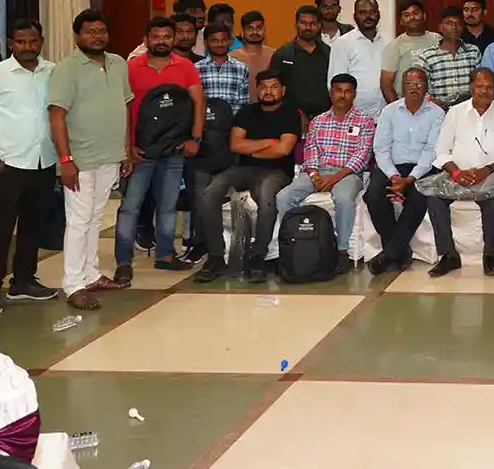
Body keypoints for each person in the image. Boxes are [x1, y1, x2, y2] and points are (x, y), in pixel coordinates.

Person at [0, 18, 59, 317]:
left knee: (32, 227)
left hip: (43, 161)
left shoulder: (53, 72)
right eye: (21, 42)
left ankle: (23, 281)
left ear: (41, 41)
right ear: (11, 43)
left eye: (33, 41)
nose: (27, 47)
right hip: (8, 164)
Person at [48, 10, 132, 311]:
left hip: (110, 155)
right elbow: (56, 115)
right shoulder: (66, 69)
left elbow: (124, 107)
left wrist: (126, 150)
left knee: (96, 218)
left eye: (101, 31)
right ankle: (73, 284)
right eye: (90, 31)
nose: (97, 37)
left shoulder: (118, 64)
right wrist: (66, 159)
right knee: (79, 220)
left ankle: (91, 274)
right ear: (77, 36)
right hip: (80, 158)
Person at [117, 16, 204, 284]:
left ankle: (165, 254)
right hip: (141, 151)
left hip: (174, 149)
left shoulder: (186, 67)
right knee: (130, 206)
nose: (162, 41)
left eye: (167, 36)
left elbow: (198, 102)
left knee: (167, 206)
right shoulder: (131, 68)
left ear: (173, 38)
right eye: (156, 36)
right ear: (146, 40)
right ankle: (123, 260)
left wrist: (195, 138)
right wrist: (128, 147)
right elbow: (123, 109)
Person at [193, 69, 300, 283]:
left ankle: (258, 256)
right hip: (243, 169)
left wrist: (251, 149)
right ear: (257, 90)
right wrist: (268, 142)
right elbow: (235, 145)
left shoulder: (290, 113)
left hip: (277, 171)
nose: (268, 92)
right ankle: (216, 257)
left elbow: (284, 149)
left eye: (274, 87)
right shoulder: (246, 112)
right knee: (209, 193)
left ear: (283, 90)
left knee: (267, 197)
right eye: (263, 87)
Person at [274, 73, 376, 274]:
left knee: (344, 199)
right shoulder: (318, 121)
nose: (342, 95)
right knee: (283, 197)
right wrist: (315, 177)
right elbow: (310, 152)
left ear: (354, 94)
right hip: (317, 172)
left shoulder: (365, 121)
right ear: (331, 93)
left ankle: (342, 251)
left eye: (347, 91)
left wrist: (334, 178)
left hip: (348, 173)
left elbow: (362, 156)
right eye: (338, 91)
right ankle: (293, 244)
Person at [418, 68, 494, 277]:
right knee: (434, 199)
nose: (484, 91)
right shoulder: (455, 113)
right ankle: (449, 256)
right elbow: (441, 150)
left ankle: (489, 254)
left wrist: (485, 171)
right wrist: (456, 173)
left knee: (491, 200)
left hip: (489, 175)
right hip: (457, 174)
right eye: (480, 86)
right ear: (471, 87)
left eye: (489, 87)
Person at [364, 66, 445, 275]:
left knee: (419, 199)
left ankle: (389, 254)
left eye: (419, 83)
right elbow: (381, 148)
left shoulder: (437, 114)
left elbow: (431, 151)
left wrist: (409, 179)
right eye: (409, 83)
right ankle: (400, 252)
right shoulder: (389, 111)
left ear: (426, 86)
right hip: (390, 166)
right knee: (373, 195)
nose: (414, 87)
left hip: (421, 168)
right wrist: (393, 176)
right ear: (401, 87)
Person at [328, 0, 389, 114]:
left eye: (372, 12)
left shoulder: (389, 41)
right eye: (362, 13)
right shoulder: (343, 43)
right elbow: (335, 83)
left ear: (379, 15)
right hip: (354, 115)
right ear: (355, 16)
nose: (368, 16)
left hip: (384, 113)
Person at [415, 6, 482, 108]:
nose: (454, 27)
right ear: (440, 27)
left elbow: (480, 83)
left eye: (458, 24)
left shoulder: (473, 52)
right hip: (438, 111)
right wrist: (432, 102)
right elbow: (419, 86)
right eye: (449, 23)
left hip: (468, 110)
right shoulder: (427, 56)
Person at [275, 5, 332, 120]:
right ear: (296, 24)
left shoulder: (329, 53)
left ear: (319, 26)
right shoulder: (283, 54)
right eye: (304, 23)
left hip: (325, 119)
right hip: (291, 118)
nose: (308, 27)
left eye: (313, 23)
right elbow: (276, 88)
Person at [380, 0, 440, 102]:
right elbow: (386, 84)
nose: (412, 17)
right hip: (407, 105)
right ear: (401, 21)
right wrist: (397, 107)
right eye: (406, 15)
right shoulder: (395, 46)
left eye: (415, 13)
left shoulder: (438, 40)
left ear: (424, 16)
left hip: (436, 104)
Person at [129, 0, 206, 58]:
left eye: (201, 17)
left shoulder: (204, 34)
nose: (199, 18)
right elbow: (133, 58)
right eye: (193, 13)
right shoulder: (164, 34)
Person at [198, 21, 250, 112]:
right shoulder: (196, 69)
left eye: (223, 40)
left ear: (230, 42)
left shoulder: (241, 69)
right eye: (215, 41)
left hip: (234, 120)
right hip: (206, 120)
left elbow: (243, 105)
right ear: (206, 43)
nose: (220, 44)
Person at [232, 11, 275, 102]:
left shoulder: (274, 55)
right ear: (242, 32)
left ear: (264, 30)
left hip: (268, 107)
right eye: (249, 28)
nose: (255, 32)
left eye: (259, 28)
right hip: (240, 108)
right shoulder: (231, 58)